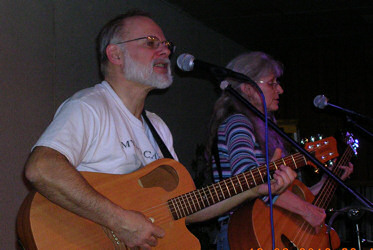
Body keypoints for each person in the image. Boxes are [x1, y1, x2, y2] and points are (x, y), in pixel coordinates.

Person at [23, 11, 296, 249]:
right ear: (115, 54)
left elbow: (183, 208)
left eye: (166, 44)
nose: (165, 51)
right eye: (151, 42)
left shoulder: (157, 127)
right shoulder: (90, 107)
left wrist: (252, 190)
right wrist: (119, 221)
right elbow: (42, 167)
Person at [206, 51, 354, 249]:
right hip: (243, 232)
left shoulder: (265, 128)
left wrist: (325, 183)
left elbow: (277, 195)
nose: (281, 90)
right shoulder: (238, 123)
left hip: (264, 230)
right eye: (272, 83)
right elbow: (251, 179)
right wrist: (305, 209)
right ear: (248, 89)